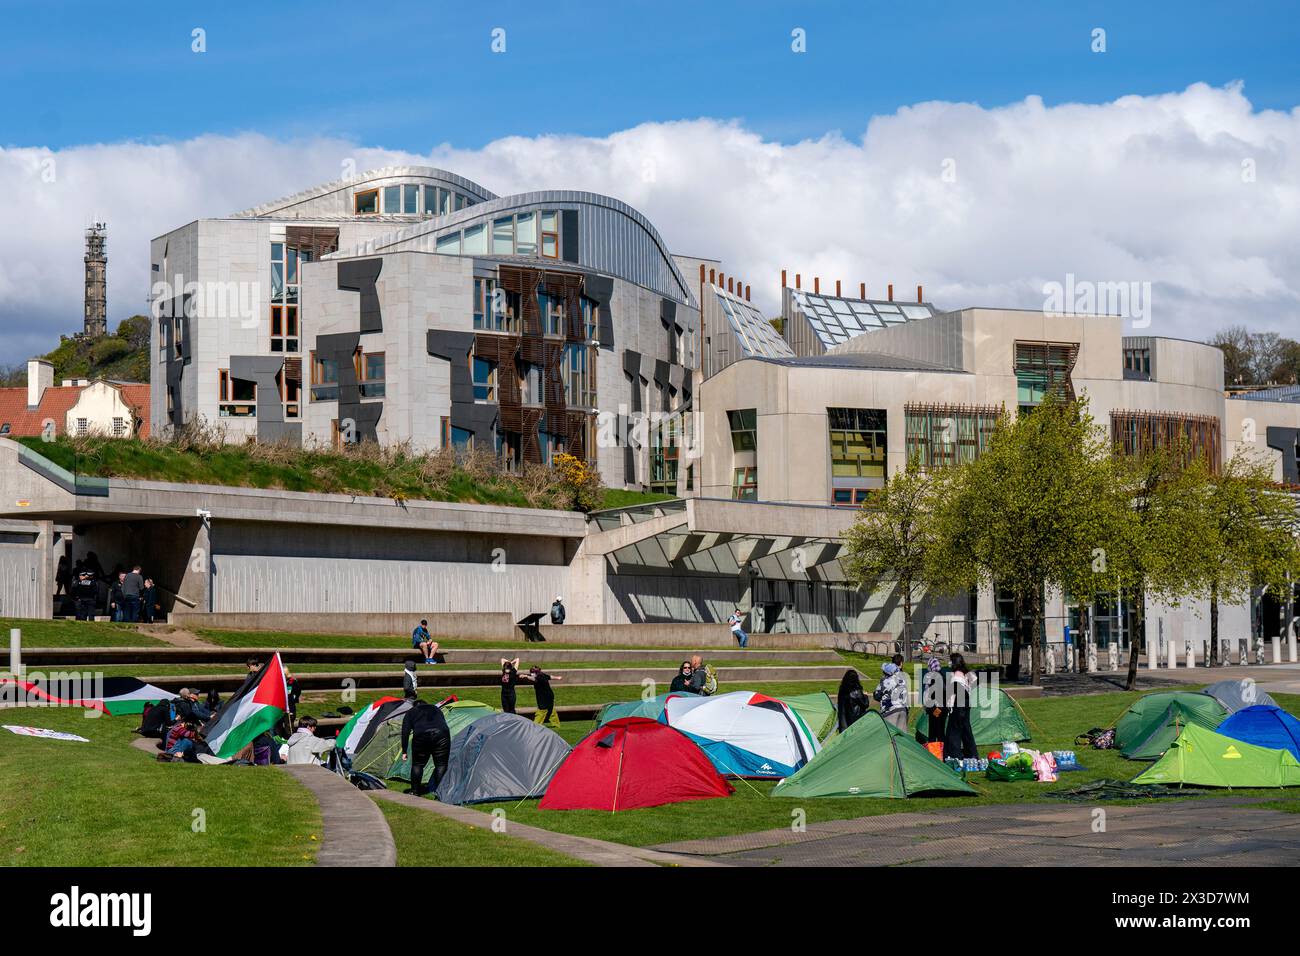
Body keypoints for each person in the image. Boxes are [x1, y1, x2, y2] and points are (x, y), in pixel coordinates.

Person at [400, 698, 451, 797]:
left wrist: (404, 751)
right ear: (426, 704)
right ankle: (440, 793)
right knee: (441, 765)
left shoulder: (411, 712)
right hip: (442, 735)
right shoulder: (436, 709)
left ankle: (415, 791)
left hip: (421, 735)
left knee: (418, 764)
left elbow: (405, 732)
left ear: (415, 706)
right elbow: (443, 723)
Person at [944, 653, 978, 760]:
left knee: (954, 731)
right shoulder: (965, 673)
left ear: (954, 662)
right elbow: (974, 680)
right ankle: (972, 754)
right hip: (966, 704)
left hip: (960, 705)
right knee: (966, 730)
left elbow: (957, 692)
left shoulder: (956, 676)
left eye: (950, 660)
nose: (949, 663)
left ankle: (954, 755)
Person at [874, 662, 910, 731]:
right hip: (903, 710)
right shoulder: (902, 680)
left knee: (890, 736)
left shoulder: (887, 681)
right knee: (902, 737)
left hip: (890, 711)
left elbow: (876, 695)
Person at [921, 657, 947, 747]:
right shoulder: (942, 675)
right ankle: (942, 750)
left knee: (933, 731)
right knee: (940, 731)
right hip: (942, 707)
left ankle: (933, 752)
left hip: (936, 707)